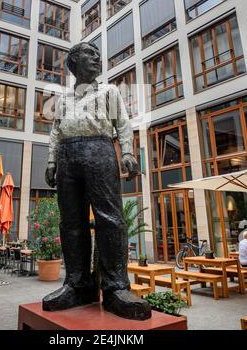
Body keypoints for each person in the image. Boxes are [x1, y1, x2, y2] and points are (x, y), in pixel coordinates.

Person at [43, 42, 151, 320]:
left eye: (98, 55)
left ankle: (116, 287)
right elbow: (55, 131)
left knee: (110, 218)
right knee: (71, 222)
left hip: (100, 151)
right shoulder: (63, 98)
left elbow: (123, 124)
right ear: (74, 61)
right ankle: (77, 285)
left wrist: (127, 152)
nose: (97, 59)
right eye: (90, 55)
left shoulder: (109, 91)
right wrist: (52, 161)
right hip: (68, 155)